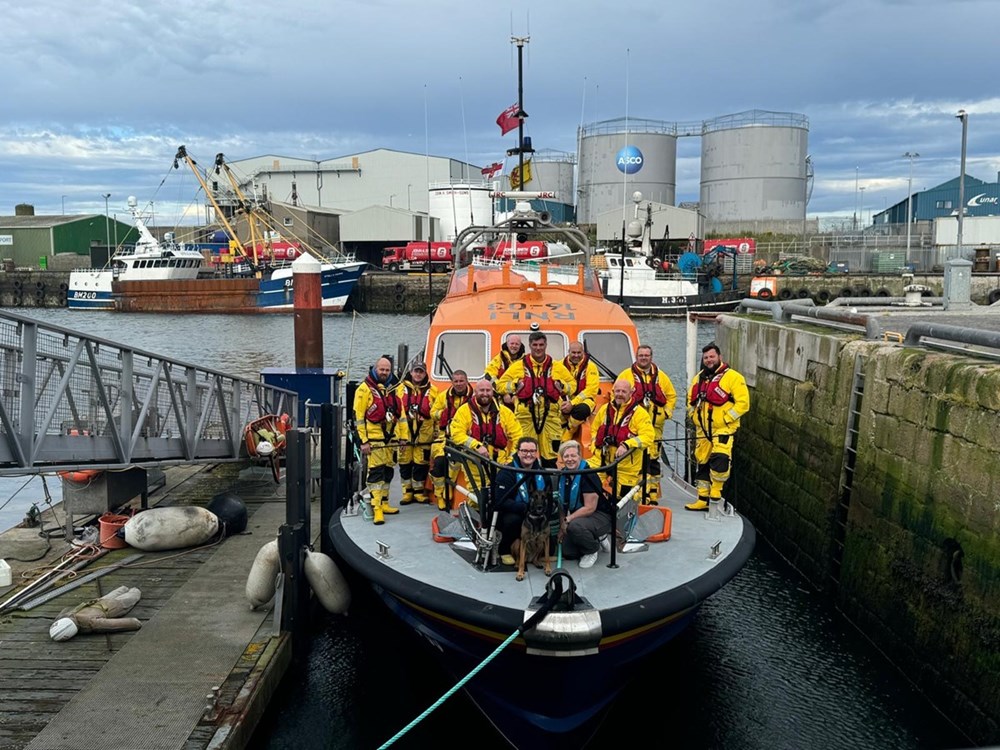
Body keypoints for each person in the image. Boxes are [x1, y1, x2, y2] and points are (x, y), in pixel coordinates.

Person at [686, 342, 750, 512]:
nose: (709, 360)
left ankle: (715, 497)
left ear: (719, 357)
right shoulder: (698, 377)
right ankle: (702, 498)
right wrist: (693, 416)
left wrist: (726, 418)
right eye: (706, 357)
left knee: (720, 462)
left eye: (712, 356)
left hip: (723, 429)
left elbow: (743, 404)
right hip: (703, 431)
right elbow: (690, 400)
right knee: (702, 462)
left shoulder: (734, 377)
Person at [498, 331, 575, 466]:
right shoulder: (518, 366)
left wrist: (561, 386)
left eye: (541, 345)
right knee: (525, 453)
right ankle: (525, 484)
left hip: (550, 417)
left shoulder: (557, 367)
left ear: (546, 345)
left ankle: (549, 485)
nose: (538, 348)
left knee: (551, 454)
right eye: (535, 345)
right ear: (529, 346)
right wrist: (515, 385)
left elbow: (572, 385)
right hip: (525, 416)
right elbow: (500, 385)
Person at [618, 345, 676, 504]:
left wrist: (667, 413)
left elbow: (671, 396)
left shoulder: (661, 377)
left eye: (646, 355)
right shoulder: (625, 375)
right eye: (641, 355)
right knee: (639, 463)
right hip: (635, 427)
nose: (644, 358)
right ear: (636, 357)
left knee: (653, 462)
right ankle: (640, 497)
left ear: (651, 357)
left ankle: (653, 495)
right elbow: (617, 397)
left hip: (656, 427)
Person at [588, 379, 655, 501]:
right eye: (617, 391)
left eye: (624, 391)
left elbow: (648, 436)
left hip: (626, 467)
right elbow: (594, 430)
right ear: (613, 392)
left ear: (631, 393)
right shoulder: (604, 409)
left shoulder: (640, 414)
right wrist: (594, 446)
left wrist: (627, 444)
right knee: (587, 481)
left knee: (624, 499)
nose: (620, 394)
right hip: (602, 461)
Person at [354, 356, 401, 525]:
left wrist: (401, 438)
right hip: (374, 440)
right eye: (382, 369)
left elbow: (399, 416)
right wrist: (364, 441)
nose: (384, 372)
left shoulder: (391, 389)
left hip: (390, 439)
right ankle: (376, 509)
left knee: (389, 472)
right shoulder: (363, 389)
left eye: (387, 370)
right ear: (375, 369)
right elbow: (358, 418)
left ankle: (385, 503)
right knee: (376, 474)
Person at [493, 436, 551, 567]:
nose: (528, 454)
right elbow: (500, 501)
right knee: (512, 520)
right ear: (518, 451)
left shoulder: (543, 473)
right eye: (524, 451)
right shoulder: (506, 473)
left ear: (536, 453)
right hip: (514, 513)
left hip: (537, 516)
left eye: (532, 451)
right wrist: (523, 508)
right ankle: (505, 550)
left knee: (550, 540)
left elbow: (550, 499)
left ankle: (536, 553)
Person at [556, 440, 611, 569]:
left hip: (599, 514)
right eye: (566, 456)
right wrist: (561, 525)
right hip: (581, 516)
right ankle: (596, 537)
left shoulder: (588, 475)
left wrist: (567, 520)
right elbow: (561, 503)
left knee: (574, 527)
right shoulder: (563, 475)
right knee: (568, 552)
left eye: (573, 455)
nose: (570, 459)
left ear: (580, 456)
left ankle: (592, 550)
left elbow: (590, 508)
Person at [451, 379, 522, 469]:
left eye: (488, 390)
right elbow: (456, 434)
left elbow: (518, 437)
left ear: (492, 392)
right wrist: (477, 446)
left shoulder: (505, 412)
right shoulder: (464, 411)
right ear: (475, 392)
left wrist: (511, 461)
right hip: (475, 466)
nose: (485, 393)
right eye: (481, 390)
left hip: (501, 465)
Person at [395, 361, 438, 505]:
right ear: (411, 372)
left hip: (424, 435)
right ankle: (407, 492)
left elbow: (437, 413)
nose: (418, 374)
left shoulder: (434, 391)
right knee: (404, 462)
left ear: (425, 373)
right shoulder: (400, 389)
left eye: (421, 371)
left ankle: (419, 492)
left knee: (421, 463)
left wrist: (436, 432)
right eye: (416, 371)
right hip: (404, 434)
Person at [429, 369, 472, 510]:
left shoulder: (474, 397)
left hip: (467, 439)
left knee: (460, 462)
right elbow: (433, 413)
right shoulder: (443, 397)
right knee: (439, 463)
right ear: (452, 382)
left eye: (461, 381)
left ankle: (450, 496)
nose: (459, 384)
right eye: (456, 381)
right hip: (445, 438)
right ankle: (440, 495)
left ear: (467, 382)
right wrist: (444, 413)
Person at [49, 586, 142, 641]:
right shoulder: (68, 613)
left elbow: (115, 624)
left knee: (134, 594)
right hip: (98, 602)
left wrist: (135, 623)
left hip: (114, 607)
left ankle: (133, 589)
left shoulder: (90, 623)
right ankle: (125, 588)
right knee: (121, 589)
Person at [560, 341, 600, 441]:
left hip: (584, 400)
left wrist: (572, 403)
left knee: (583, 410)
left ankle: (569, 431)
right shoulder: (559, 365)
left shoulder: (591, 367)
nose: (576, 355)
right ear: (568, 352)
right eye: (573, 352)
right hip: (563, 399)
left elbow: (591, 390)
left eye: (579, 353)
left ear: (583, 353)